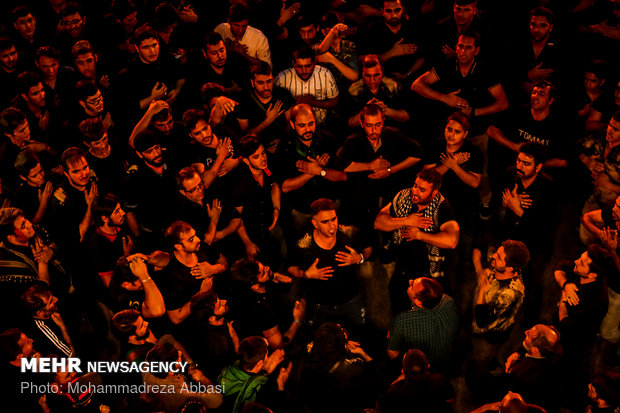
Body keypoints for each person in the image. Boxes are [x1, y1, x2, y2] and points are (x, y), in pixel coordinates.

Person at [374, 169, 459, 314]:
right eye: (415, 186)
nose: (415, 191)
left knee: (429, 314)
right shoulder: (403, 196)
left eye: (422, 189)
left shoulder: (442, 207)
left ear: (434, 193)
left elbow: (452, 240)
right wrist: (407, 220)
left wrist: (419, 235)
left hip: (430, 276)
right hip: (402, 269)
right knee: (398, 308)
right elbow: (378, 223)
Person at [287, 198, 371, 335]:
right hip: (318, 305)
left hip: (351, 302)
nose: (332, 226)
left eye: (333, 219)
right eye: (325, 222)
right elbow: (290, 266)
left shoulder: (348, 233)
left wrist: (359, 258)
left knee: (358, 337)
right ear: (315, 223)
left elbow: (368, 249)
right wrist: (306, 274)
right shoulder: (303, 242)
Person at [339, 103, 422, 233]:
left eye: (378, 125)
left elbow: (418, 154)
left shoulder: (392, 135)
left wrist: (391, 170)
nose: (374, 131)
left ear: (383, 121)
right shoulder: (354, 141)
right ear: (361, 123)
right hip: (359, 202)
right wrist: (369, 166)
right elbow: (340, 165)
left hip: (388, 199)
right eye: (369, 126)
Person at [276, 104, 346, 231]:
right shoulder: (285, 147)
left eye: (311, 124)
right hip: (303, 211)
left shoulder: (328, 140)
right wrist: (311, 172)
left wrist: (320, 171)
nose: (307, 129)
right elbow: (285, 187)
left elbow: (343, 176)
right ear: (292, 125)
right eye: (302, 126)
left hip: (331, 208)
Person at [230, 135, 285, 265]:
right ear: (246, 161)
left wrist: (276, 208)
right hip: (252, 234)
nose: (263, 159)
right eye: (256, 157)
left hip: (270, 226)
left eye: (263, 153)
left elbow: (274, 185)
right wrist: (248, 243)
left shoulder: (268, 166)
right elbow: (235, 217)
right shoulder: (240, 184)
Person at [386, 277, 459, 371]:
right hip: (445, 363)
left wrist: (394, 333)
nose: (410, 281)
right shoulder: (449, 301)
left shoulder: (402, 320)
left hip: (419, 368)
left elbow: (392, 354)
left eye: (412, 286)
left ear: (419, 301)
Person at [231, 258, 305, 349]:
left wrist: (274, 276)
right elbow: (278, 344)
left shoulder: (262, 284)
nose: (268, 268)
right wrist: (297, 320)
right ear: (255, 285)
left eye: (264, 267)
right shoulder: (261, 310)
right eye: (263, 273)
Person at [142, 341, 223, 412]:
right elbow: (217, 399)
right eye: (178, 358)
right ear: (170, 371)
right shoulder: (178, 395)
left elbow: (167, 337)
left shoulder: (147, 364)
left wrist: (190, 363)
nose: (180, 353)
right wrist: (202, 378)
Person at [218, 336, 287, 413]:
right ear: (259, 363)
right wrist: (280, 385)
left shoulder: (227, 369)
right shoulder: (262, 389)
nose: (268, 358)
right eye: (267, 356)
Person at [359, 0, 425, 82]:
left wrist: (407, 75)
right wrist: (392, 53)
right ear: (382, 12)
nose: (393, 15)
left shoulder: (413, 28)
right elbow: (363, 62)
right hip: (380, 80)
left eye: (397, 10)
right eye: (388, 11)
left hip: (410, 78)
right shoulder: (372, 30)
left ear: (403, 10)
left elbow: (421, 58)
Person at [236, 61, 295, 151]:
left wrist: (282, 140)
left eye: (269, 81)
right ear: (252, 83)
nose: (266, 87)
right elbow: (245, 135)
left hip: (282, 146)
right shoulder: (244, 100)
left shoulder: (283, 95)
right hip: (256, 149)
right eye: (260, 83)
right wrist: (268, 121)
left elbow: (290, 123)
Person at [274, 45, 339, 126]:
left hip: (321, 124)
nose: (304, 71)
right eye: (299, 66)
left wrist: (314, 102)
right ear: (293, 64)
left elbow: (335, 101)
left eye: (308, 66)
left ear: (314, 63)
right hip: (293, 126)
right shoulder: (282, 78)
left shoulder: (325, 74)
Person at [504, 324, 563, 410]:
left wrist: (508, 369)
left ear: (535, 350)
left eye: (528, 335)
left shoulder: (524, 376)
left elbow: (508, 395)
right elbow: (526, 347)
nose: (525, 332)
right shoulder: (554, 350)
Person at [377, 349, 454, 413]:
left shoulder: (395, 391)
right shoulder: (439, 380)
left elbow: (380, 408)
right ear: (428, 366)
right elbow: (450, 399)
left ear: (403, 370)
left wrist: (397, 382)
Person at [345, 55, 410, 129]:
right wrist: (365, 112)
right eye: (368, 76)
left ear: (382, 71)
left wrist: (386, 111)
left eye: (376, 75)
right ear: (362, 74)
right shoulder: (353, 91)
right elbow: (349, 123)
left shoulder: (394, 87)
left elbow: (406, 117)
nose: (372, 80)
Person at [20, 283, 74, 357]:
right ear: (39, 313)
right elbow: (70, 355)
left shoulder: (55, 309)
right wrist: (62, 327)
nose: (56, 299)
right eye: (51, 301)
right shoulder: (41, 329)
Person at [215, 3, 272, 67]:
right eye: (236, 25)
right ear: (228, 21)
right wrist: (228, 49)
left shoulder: (259, 37)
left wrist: (244, 55)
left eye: (244, 26)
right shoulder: (220, 30)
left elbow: (267, 68)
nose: (240, 30)